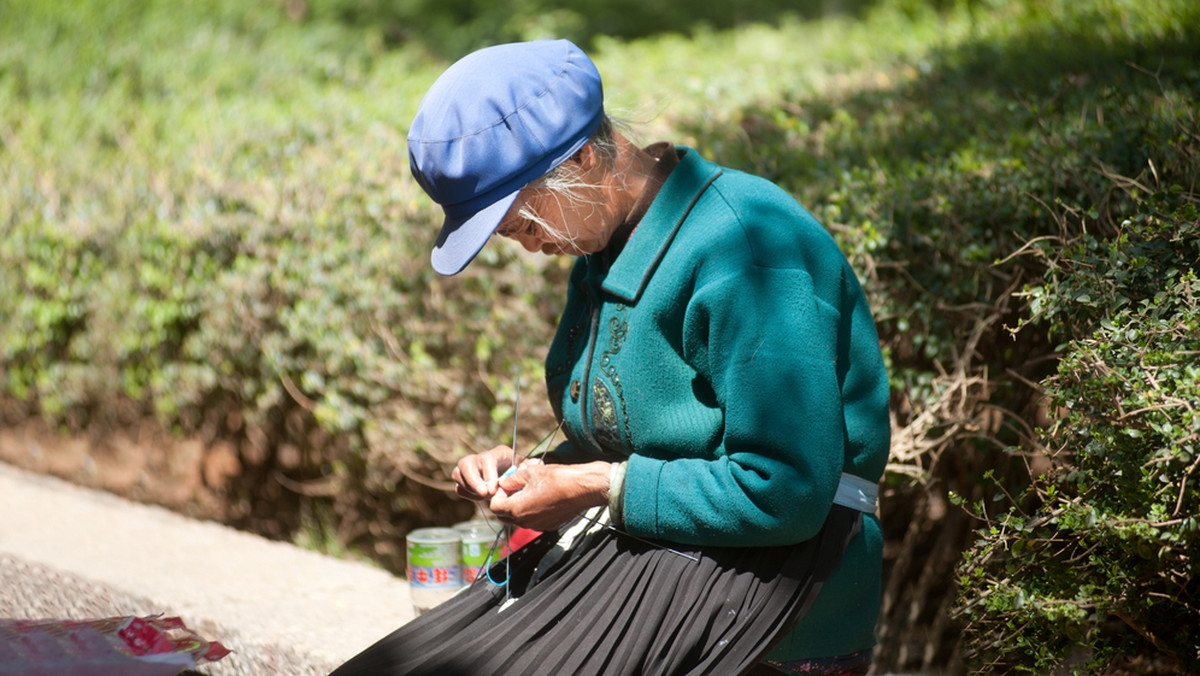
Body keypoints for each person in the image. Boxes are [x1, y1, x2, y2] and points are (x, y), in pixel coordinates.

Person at [332, 38, 890, 676]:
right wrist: (534, 472)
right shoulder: (603, 244)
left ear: (586, 158)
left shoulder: (748, 251)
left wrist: (593, 485)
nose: (529, 247)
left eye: (521, 224)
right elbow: (643, 436)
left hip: (776, 572)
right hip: (660, 548)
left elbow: (785, 489)